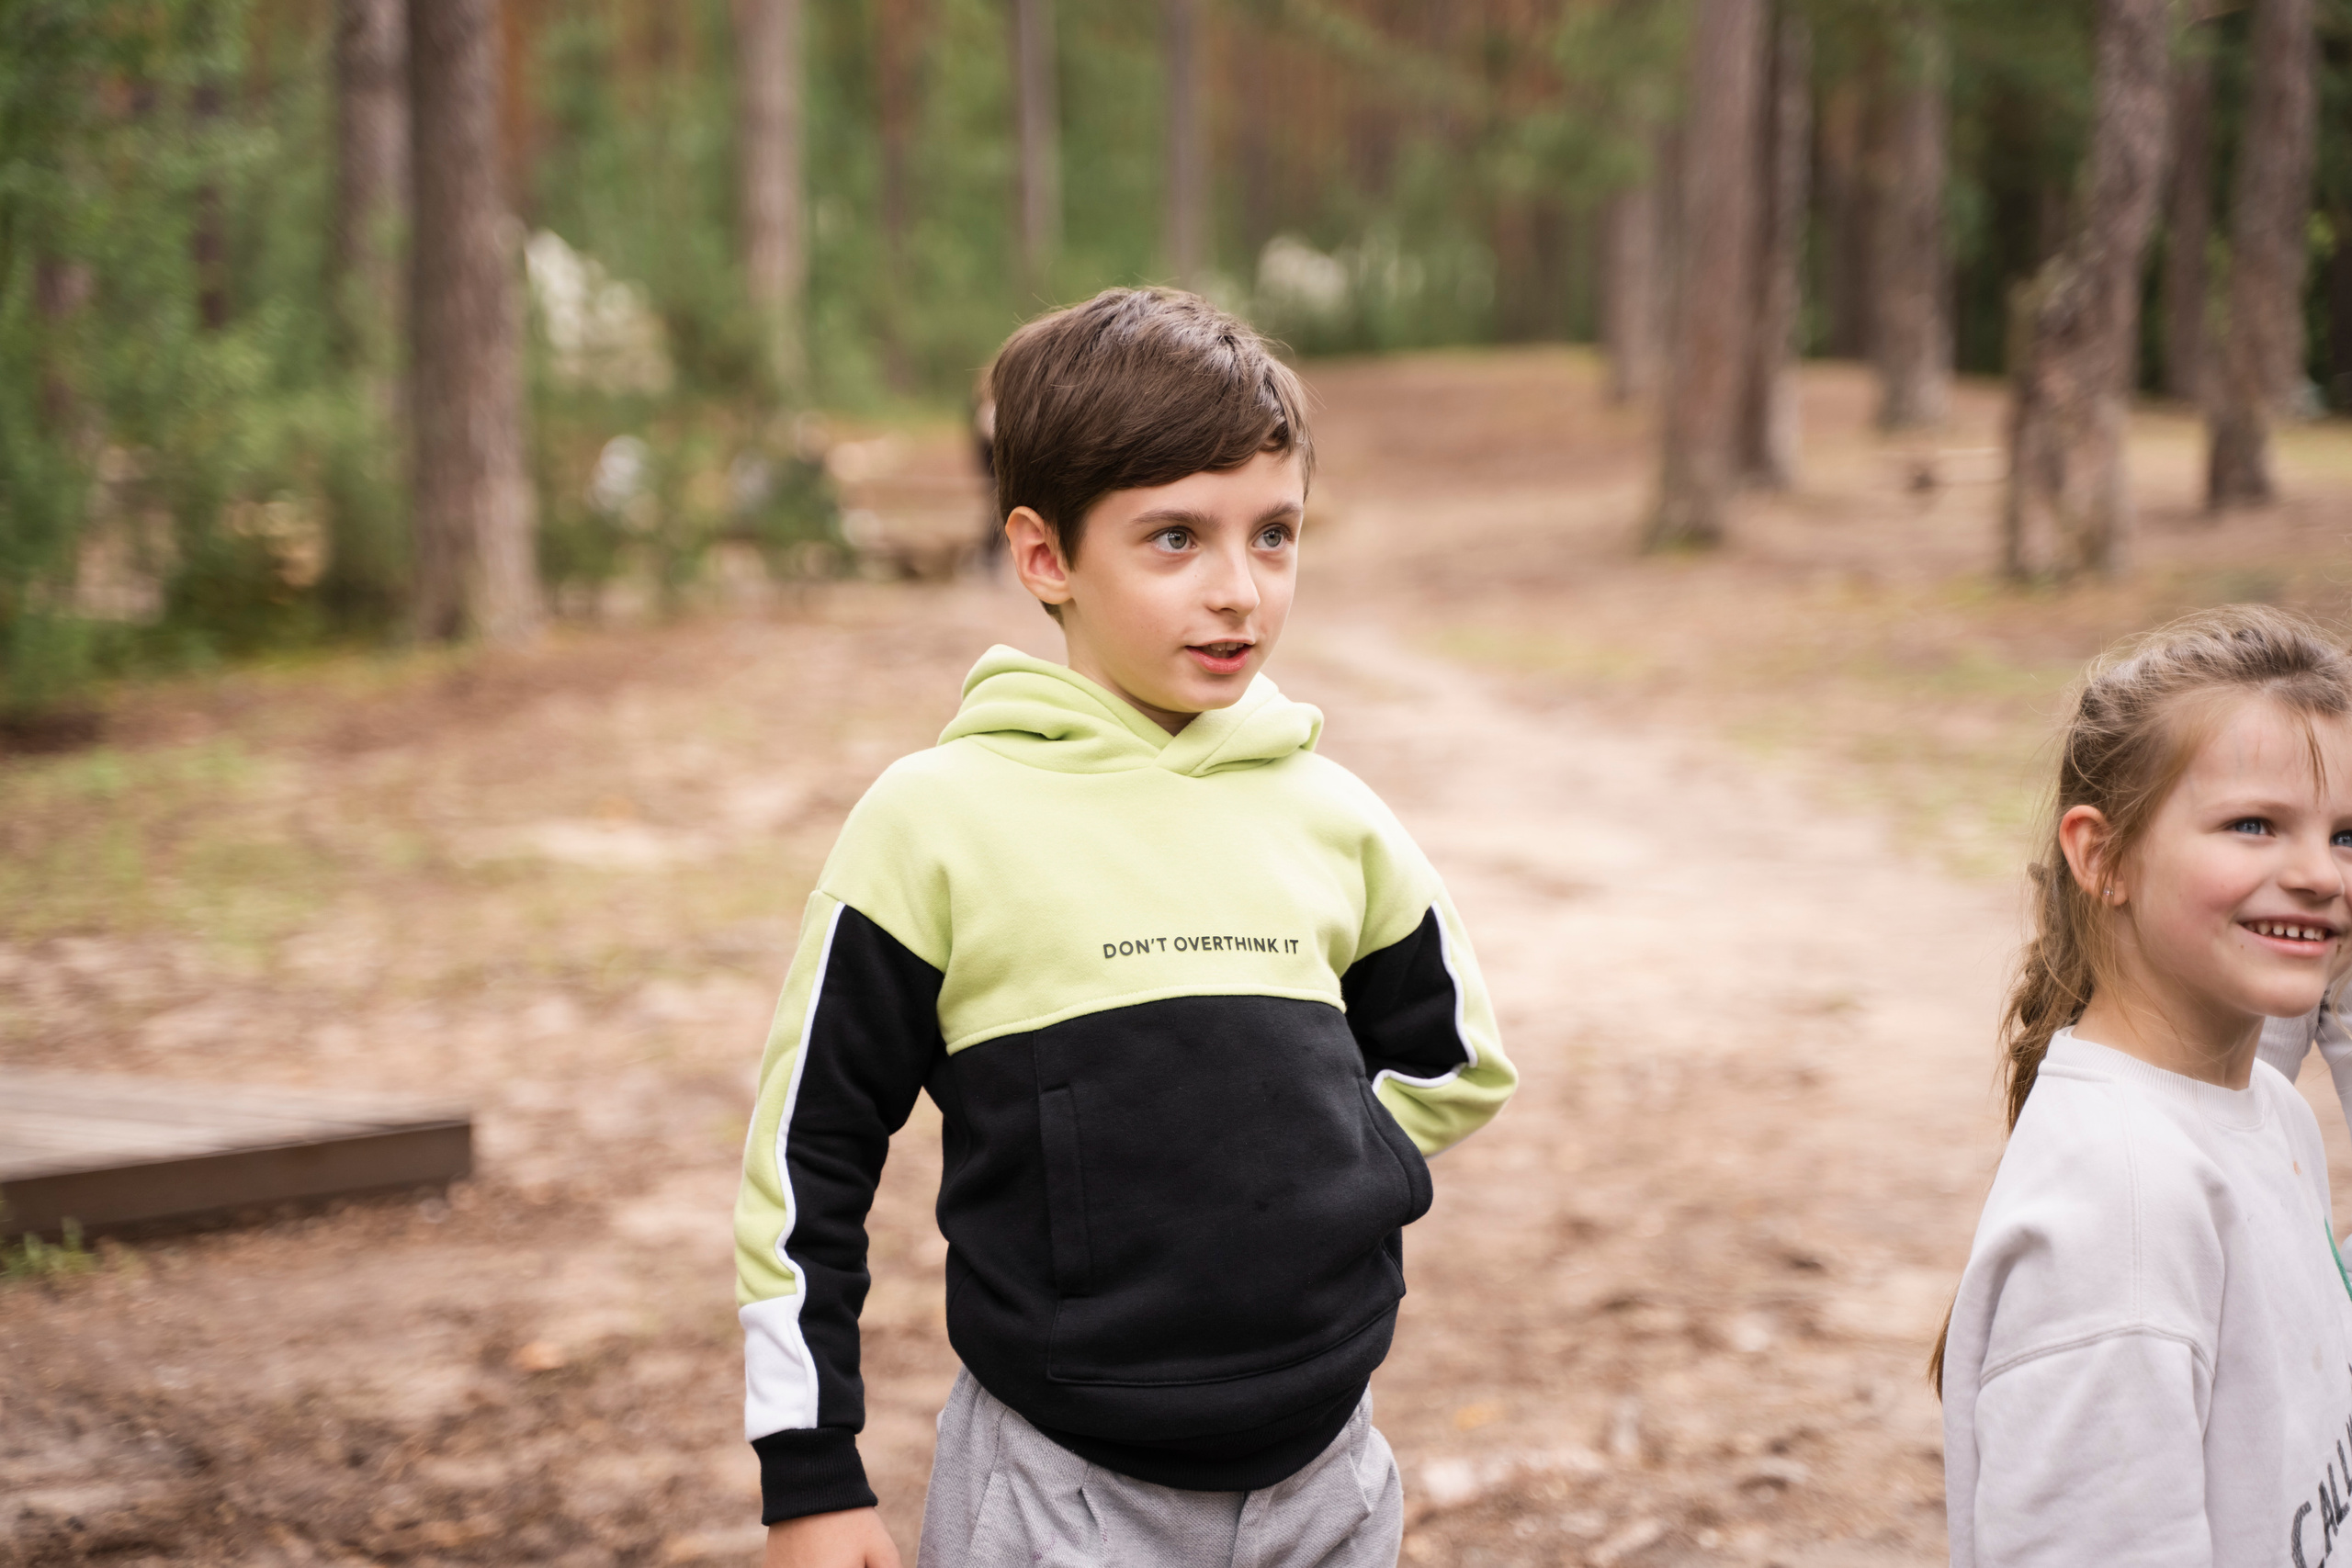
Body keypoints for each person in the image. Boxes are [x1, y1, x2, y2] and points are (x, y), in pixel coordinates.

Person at [734, 288, 1518, 1568]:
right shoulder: (933, 823)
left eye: (1274, 534)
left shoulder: (1333, 815)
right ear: (1044, 556)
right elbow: (806, 1158)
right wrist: (808, 1472)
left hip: (1329, 1476)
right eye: (1174, 539)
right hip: (1060, 1490)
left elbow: (1455, 1056)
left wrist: (1318, 1185)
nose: (1238, 592)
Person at [1937, 605, 2352, 1567]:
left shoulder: (2270, 1109)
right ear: (2101, 856)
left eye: (2345, 835)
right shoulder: (2119, 1210)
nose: (2319, 874)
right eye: (2253, 825)